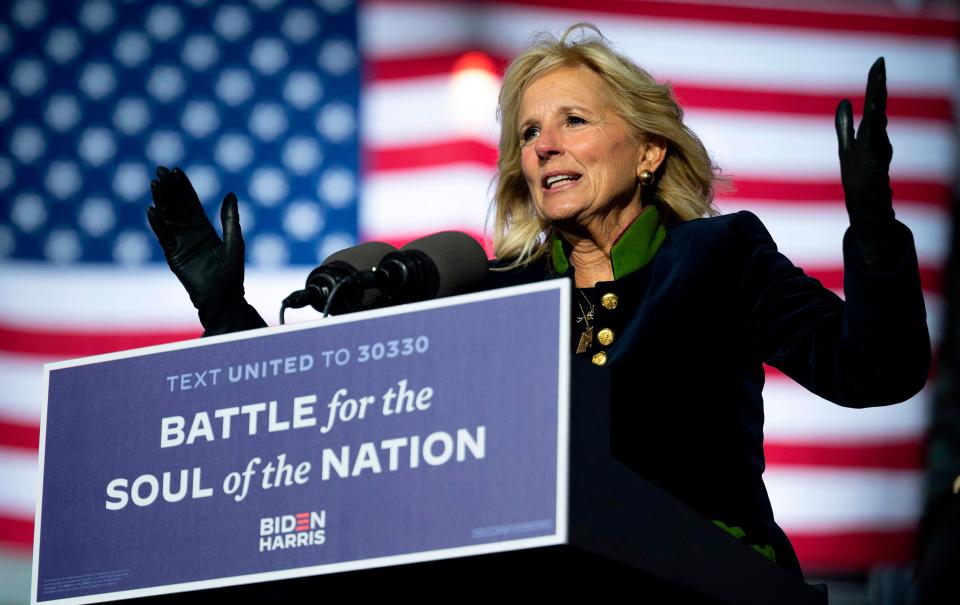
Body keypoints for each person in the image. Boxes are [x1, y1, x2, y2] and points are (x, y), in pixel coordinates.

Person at [147, 25, 931, 577]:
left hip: (711, 587)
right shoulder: (496, 290)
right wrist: (228, 317)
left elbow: (876, 369)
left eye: (573, 121)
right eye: (528, 133)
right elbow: (335, 423)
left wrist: (871, 230)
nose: (543, 146)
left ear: (650, 150)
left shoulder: (718, 257)